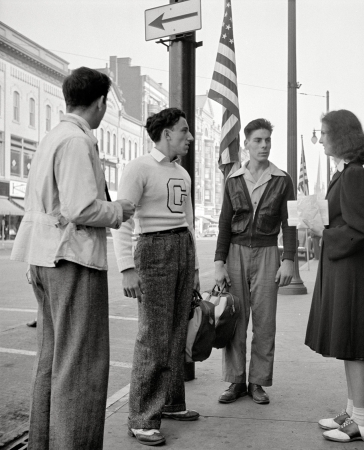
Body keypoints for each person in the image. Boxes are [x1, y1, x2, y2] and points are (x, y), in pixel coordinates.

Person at [10, 67, 135, 450]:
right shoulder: (79, 142)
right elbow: (82, 208)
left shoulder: (52, 137)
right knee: (81, 366)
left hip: (43, 258)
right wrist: (121, 211)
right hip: (73, 259)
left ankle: (44, 443)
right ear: (99, 103)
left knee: (52, 358)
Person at [112, 108, 200, 447]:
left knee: (178, 329)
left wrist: (193, 269)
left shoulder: (181, 172)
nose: (188, 137)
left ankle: (172, 404)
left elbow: (188, 221)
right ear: (166, 133)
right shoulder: (139, 168)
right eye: (183, 130)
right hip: (153, 250)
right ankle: (142, 418)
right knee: (153, 335)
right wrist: (126, 268)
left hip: (181, 247)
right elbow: (122, 220)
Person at [305, 110, 364, 443]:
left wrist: (323, 234)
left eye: (322, 133)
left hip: (350, 270)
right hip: (343, 268)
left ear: (339, 136)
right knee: (349, 342)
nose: (320, 138)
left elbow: (359, 227)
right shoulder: (346, 172)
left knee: (355, 344)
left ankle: (363, 422)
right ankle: (352, 412)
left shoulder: (353, 175)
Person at [214, 118, 296, 405]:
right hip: (235, 251)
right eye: (258, 140)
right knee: (235, 318)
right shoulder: (234, 179)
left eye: (267, 140)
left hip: (267, 252)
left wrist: (288, 260)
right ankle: (235, 381)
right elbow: (225, 223)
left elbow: (290, 223)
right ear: (246, 143)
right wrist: (218, 263)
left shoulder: (282, 179)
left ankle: (257, 382)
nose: (264, 145)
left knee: (264, 322)